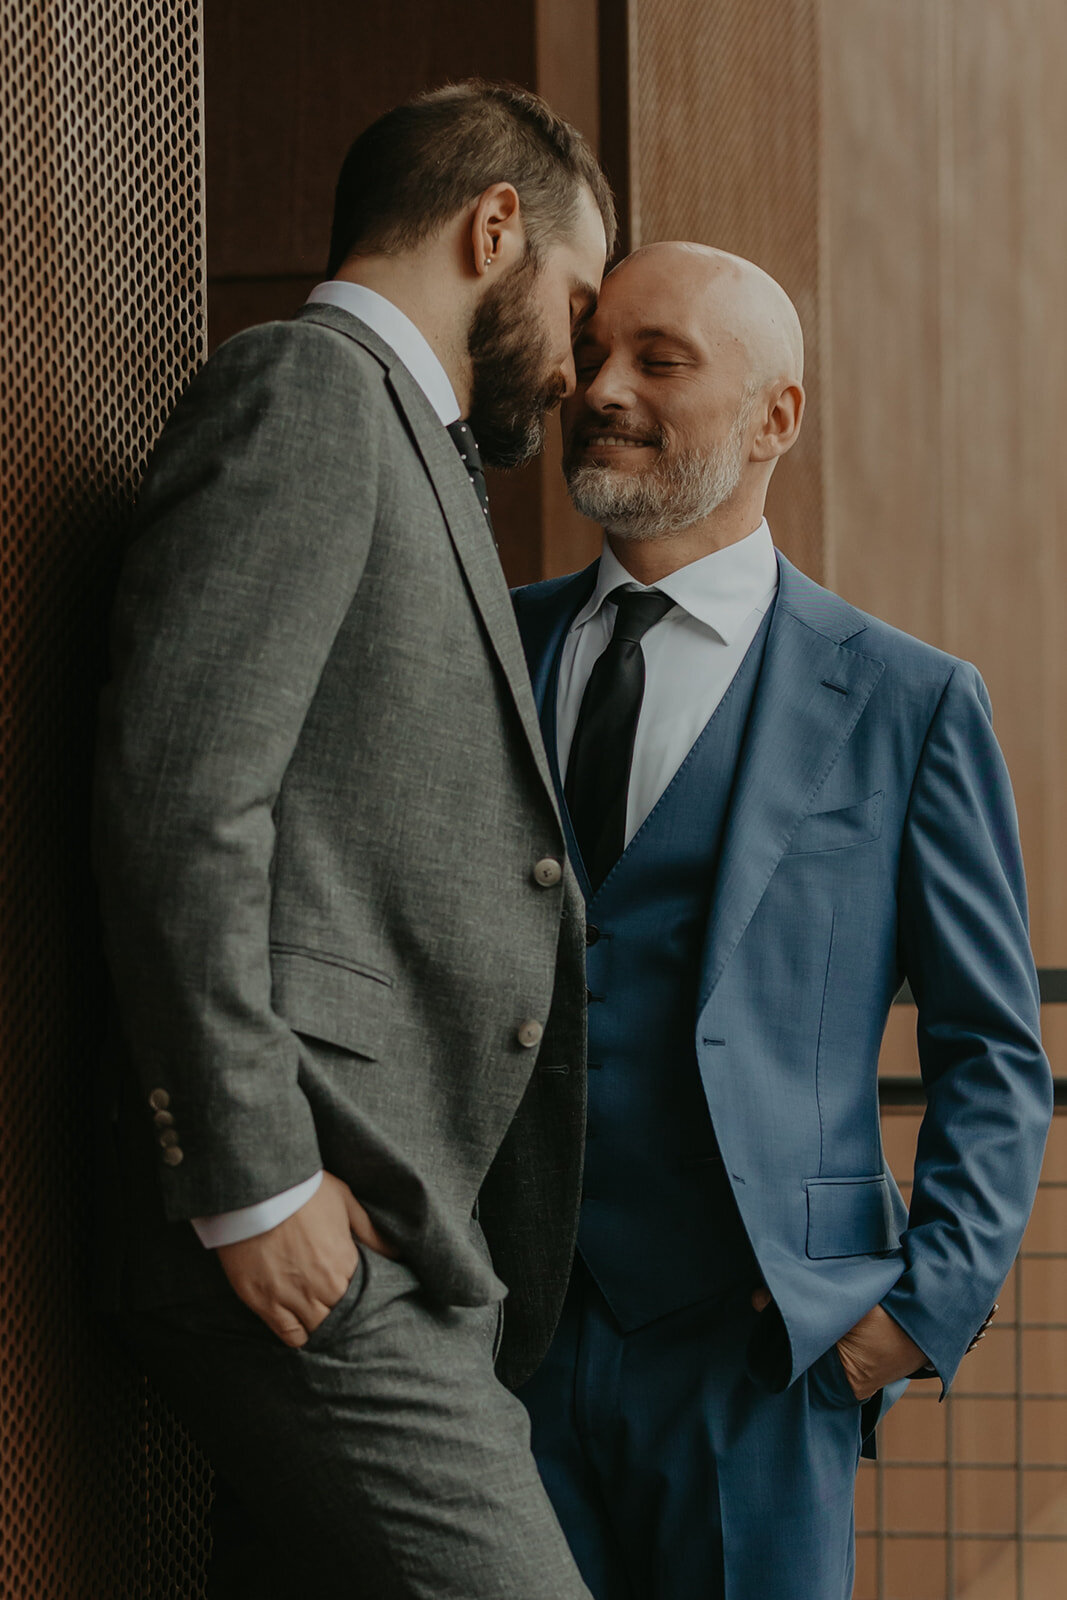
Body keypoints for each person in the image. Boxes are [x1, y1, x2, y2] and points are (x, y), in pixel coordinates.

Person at [93, 81, 614, 1600]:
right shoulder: (308, 391)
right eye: (578, 303)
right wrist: (250, 1180)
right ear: (492, 227)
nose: (576, 364)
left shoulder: (405, 439)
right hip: (316, 1220)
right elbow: (183, 798)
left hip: (402, 1233)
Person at [512, 241, 1052, 1600]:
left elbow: (993, 1050)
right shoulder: (490, 648)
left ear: (775, 418)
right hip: (496, 1349)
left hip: (754, 1361)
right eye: (598, 352)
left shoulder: (907, 703)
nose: (603, 389)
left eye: (662, 361)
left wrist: (912, 1315)